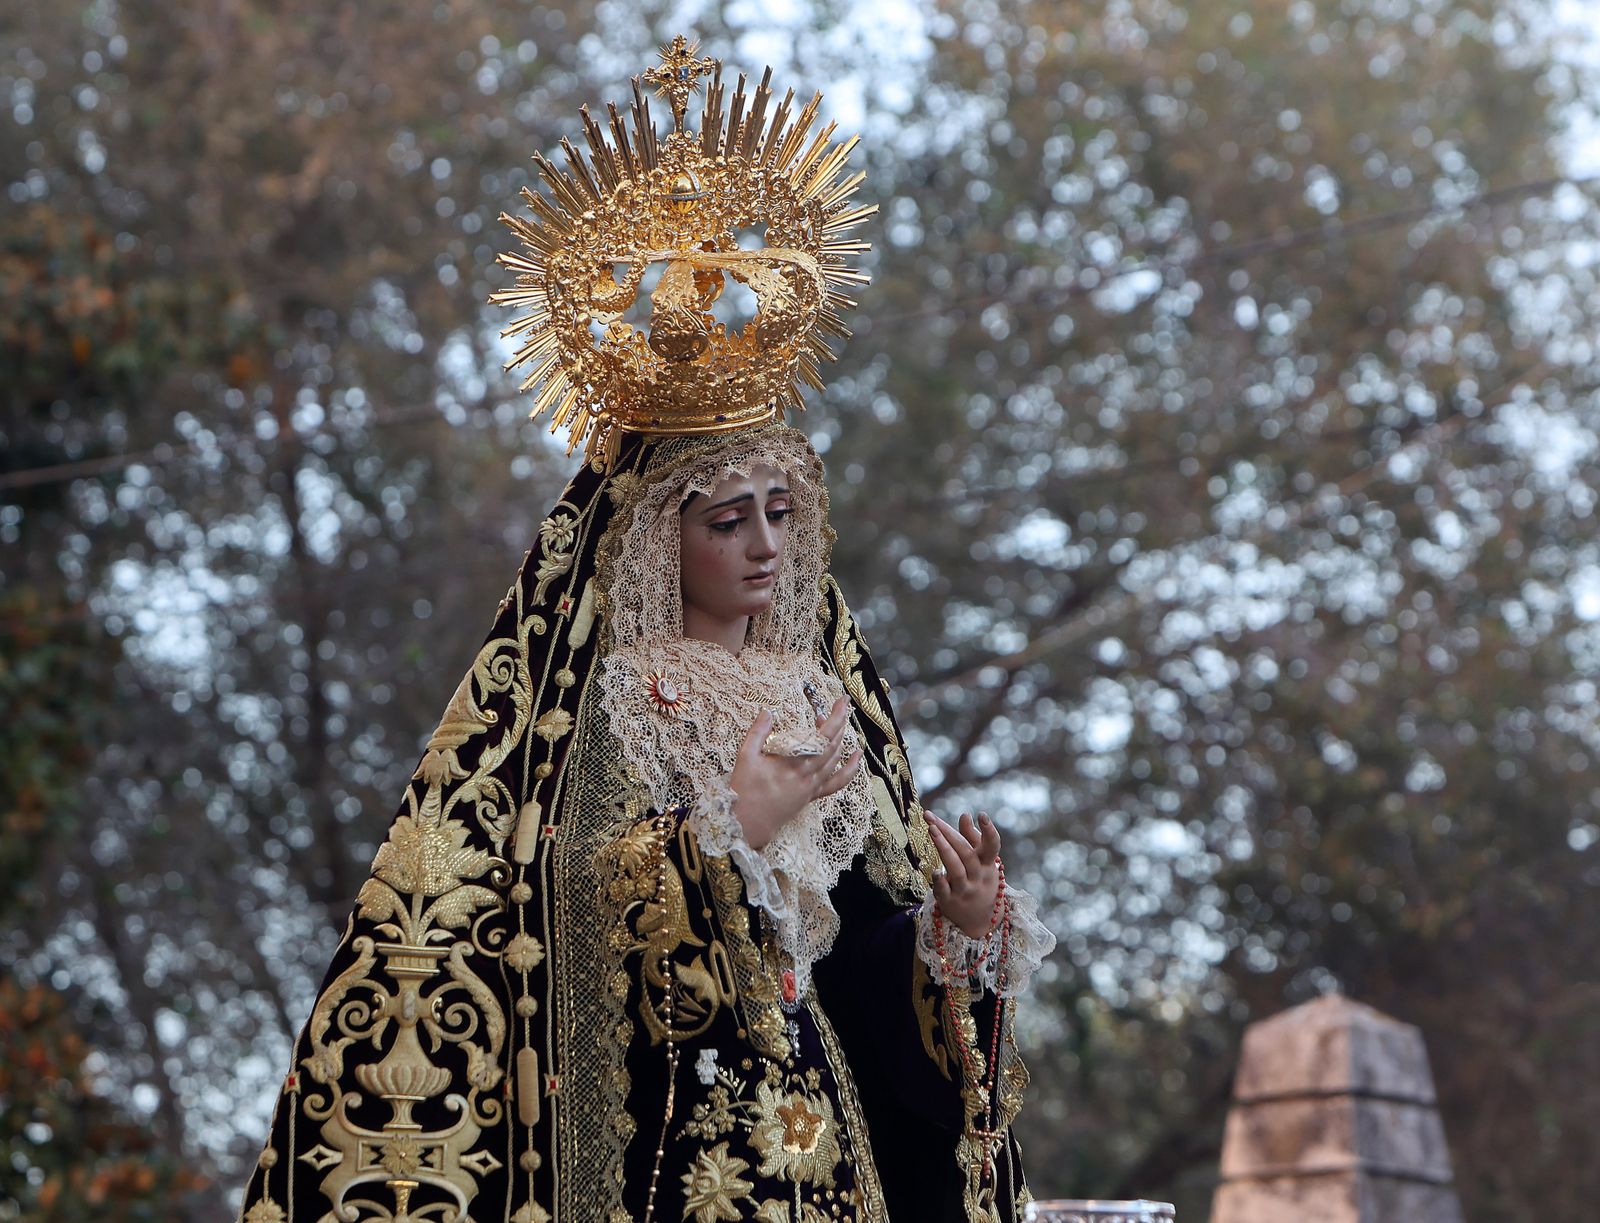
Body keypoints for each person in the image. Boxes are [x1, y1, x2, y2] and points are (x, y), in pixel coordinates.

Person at [235, 38, 1054, 1223]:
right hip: (679, 1150)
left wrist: (952, 934)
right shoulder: (606, 694)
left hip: (842, 1147)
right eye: (729, 519)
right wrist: (722, 836)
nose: (764, 545)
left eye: (781, 513)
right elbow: (556, 918)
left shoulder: (822, 696)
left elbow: (850, 969)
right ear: (659, 535)